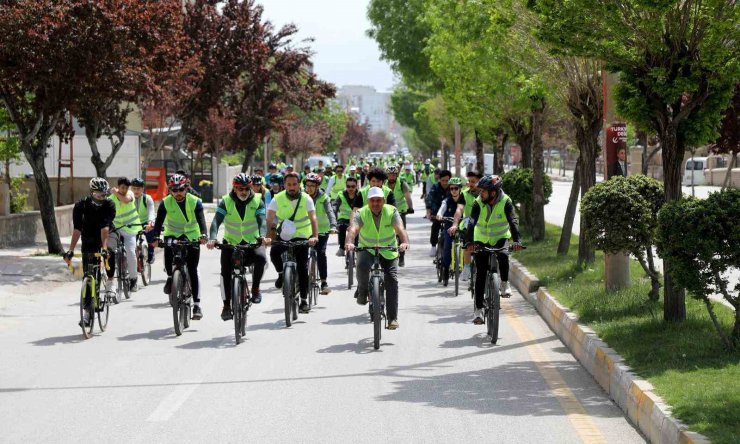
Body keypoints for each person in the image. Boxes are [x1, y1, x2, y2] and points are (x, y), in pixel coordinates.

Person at [345, 187, 410, 330]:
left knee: (392, 279)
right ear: (368, 202)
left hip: (388, 249)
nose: (375, 203)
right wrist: (349, 242)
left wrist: (404, 241)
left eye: (378, 200)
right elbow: (353, 229)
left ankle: (392, 318)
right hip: (367, 248)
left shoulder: (391, 211)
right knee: (361, 266)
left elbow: (400, 229)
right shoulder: (361, 213)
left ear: (384, 201)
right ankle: (362, 291)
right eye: (372, 201)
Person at [207, 173, 269, 321]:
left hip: (252, 242)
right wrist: (213, 238)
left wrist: (262, 235)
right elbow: (216, 222)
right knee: (225, 273)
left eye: (247, 189)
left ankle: (255, 289)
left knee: (261, 258)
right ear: (234, 189)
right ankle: (226, 306)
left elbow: (262, 221)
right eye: (240, 189)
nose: (244, 192)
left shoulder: (258, 200)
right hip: (231, 243)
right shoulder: (226, 201)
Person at [465, 175, 523, 324]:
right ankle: (478, 311)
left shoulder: (506, 202)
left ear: (493, 192)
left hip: (500, 237)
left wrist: (517, 240)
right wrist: (469, 242)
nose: (480, 194)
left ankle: (504, 284)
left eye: (483, 191)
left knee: (503, 255)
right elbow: (471, 222)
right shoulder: (478, 202)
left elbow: (513, 221)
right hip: (481, 239)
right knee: (481, 274)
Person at [151, 174, 208, 320]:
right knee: (169, 259)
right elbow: (158, 223)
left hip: (192, 236)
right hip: (173, 235)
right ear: (170, 190)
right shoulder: (166, 203)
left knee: (193, 269)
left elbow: (201, 221)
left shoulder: (195, 202)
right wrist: (156, 237)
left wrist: (203, 235)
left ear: (186, 188)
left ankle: (196, 305)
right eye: (174, 190)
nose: (178, 193)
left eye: (181, 189)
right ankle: (171, 277)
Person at [64, 178, 116, 327]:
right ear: (92, 192)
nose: (102, 198)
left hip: (106, 234)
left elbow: (105, 228)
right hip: (88, 238)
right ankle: (87, 313)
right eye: (99, 195)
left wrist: (104, 250)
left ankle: (111, 282)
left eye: (104, 195)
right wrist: (71, 250)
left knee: (111, 252)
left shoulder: (109, 205)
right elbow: (77, 229)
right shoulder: (81, 205)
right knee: (88, 275)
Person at [266, 172, 319, 314]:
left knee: (302, 267)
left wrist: (314, 236)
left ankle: (303, 300)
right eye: (288, 184)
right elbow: (270, 219)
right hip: (283, 235)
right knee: (274, 252)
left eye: (294, 184)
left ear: (299, 184)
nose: (291, 187)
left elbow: (313, 219)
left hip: (302, 236)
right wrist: (269, 237)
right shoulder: (277, 199)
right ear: (284, 185)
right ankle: (282, 274)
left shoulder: (306, 198)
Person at [304, 173, 337, 294]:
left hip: (322, 230)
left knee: (321, 253)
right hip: (305, 230)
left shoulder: (324, 198)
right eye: (307, 185)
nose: (309, 188)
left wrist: (333, 225)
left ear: (317, 186)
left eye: (312, 185)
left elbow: (330, 212)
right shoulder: (302, 197)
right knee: (300, 253)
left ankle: (323, 282)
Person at [108, 177, 141, 292]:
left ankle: (133, 279)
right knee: (110, 250)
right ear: (118, 186)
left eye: (126, 188)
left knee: (131, 252)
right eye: (122, 188)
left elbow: (125, 200)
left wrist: (116, 192)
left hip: (130, 229)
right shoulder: (111, 199)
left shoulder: (130, 194)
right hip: (116, 229)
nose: (124, 190)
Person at [436, 177, 467, 286]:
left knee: (467, 245)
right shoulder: (446, 200)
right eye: (451, 188)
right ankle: (445, 270)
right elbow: (441, 209)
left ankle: (466, 267)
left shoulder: (465, 199)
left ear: (460, 188)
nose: (453, 190)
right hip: (449, 227)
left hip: (462, 227)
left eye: (456, 188)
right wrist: (439, 215)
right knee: (447, 246)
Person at [453, 171, 481, 281]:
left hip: (482, 223)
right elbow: (459, 209)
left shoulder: (485, 193)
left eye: (473, 181)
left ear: (480, 181)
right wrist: (455, 224)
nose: (470, 183)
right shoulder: (464, 194)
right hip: (468, 222)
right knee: (467, 244)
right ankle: (467, 267)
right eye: (469, 181)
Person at [385, 166, 414, 267]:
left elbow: (407, 196)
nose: (391, 177)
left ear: (396, 175)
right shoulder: (383, 184)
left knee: (401, 232)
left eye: (393, 175)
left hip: (400, 211)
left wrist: (410, 207)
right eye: (389, 175)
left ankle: (401, 256)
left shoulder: (402, 183)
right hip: (387, 212)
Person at [333, 176, 362, 257]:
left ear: (356, 186)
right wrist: (333, 212)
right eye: (348, 186)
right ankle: (342, 248)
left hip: (357, 218)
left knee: (357, 229)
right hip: (344, 218)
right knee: (341, 227)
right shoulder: (341, 194)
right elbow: (335, 206)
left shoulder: (360, 195)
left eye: (353, 186)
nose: (350, 188)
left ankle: (356, 247)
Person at [425, 169, 452, 257]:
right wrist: (429, 212)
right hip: (437, 213)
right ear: (439, 179)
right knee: (435, 226)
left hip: (449, 213)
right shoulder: (435, 187)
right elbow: (430, 199)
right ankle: (433, 246)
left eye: (447, 181)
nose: (445, 183)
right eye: (443, 180)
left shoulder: (453, 188)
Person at [131, 177, 156, 264]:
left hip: (145, 223)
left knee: (150, 233)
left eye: (138, 188)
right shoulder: (128, 199)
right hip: (133, 224)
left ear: (142, 189)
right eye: (134, 188)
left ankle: (151, 252)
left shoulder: (147, 198)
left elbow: (151, 212)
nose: (136, 191)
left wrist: (150, 223)